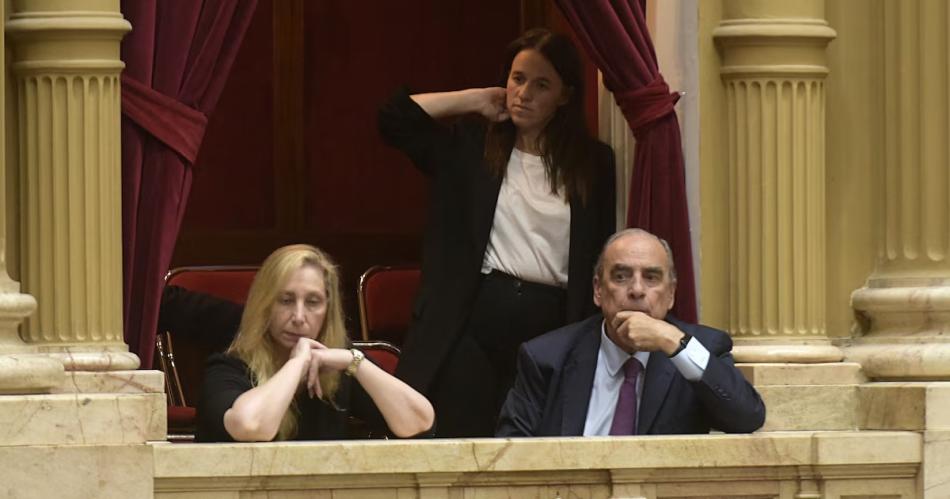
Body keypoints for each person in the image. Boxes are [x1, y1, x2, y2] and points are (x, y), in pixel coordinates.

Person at [378, 28, 616, 437]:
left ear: (565, 95)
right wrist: (474, 99)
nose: (523, 93)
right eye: (517, 79)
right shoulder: (472, 146)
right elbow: (394, 119)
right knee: (461, 437)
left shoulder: (593, 163)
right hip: (473, 315)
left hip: (551, 322)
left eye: (541, 85)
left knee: (532, 442)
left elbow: (597, 250)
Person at [496, 229, 766, 437]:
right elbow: (510, 455)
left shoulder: (700, 348)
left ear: (671, 294)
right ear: (598, 290)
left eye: (651, 277)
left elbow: (747, 418)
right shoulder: (546, 357)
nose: (637, 290)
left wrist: (673, 341)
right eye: (621, 276)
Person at [196, 244, 435, 442]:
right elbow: (251, 427)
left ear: (328, 311)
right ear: (264, 305)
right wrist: (297, 363)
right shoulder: (227, 368)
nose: (299, 317)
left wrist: (354, 361)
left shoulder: (338, 367)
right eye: (286, 300)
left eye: (312, 302)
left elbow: (419, 424)